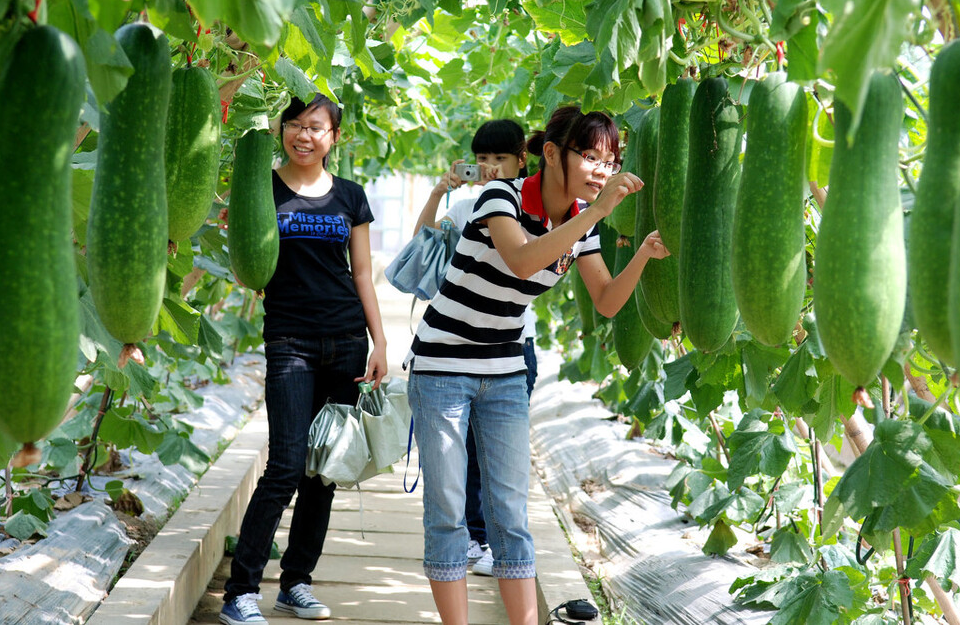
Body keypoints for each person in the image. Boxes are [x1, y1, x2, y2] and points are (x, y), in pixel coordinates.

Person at [406, 106, 669, 625]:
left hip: (504, 370)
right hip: (441, 365)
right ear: (551, 153)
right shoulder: (498, 197)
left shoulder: (582, 224)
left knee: (509, 515)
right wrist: (591, 213)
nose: (602, 169)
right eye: (590, 157)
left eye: (610, 160)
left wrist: (639, 254)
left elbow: (608, 301)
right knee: (448, 511)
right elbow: (523, 260)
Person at [220, 94, 388, 625]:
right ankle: (240, 591)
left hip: (345, 338)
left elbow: (362, 274)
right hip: (289, 339)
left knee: (323, 470)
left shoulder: (351, 197)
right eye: (293, 124)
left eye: (314, 126)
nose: (302, 134)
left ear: (333, 136)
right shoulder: (260, 187)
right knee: (287, 465)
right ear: (281, 131)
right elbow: (246, 254)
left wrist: (380, 341)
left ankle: (296, 582)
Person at [409, 119, 533, 576]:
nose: (489, 168)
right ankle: (466, 542)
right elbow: (420, 244)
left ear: (522, 159)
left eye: (499, 159)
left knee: (492, 461)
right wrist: (438, 192)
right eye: (482, 160)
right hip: (455, 346)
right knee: (453, 462)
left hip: (512, 347)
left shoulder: (533, 206)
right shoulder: (464, 206)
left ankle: (481, 540)